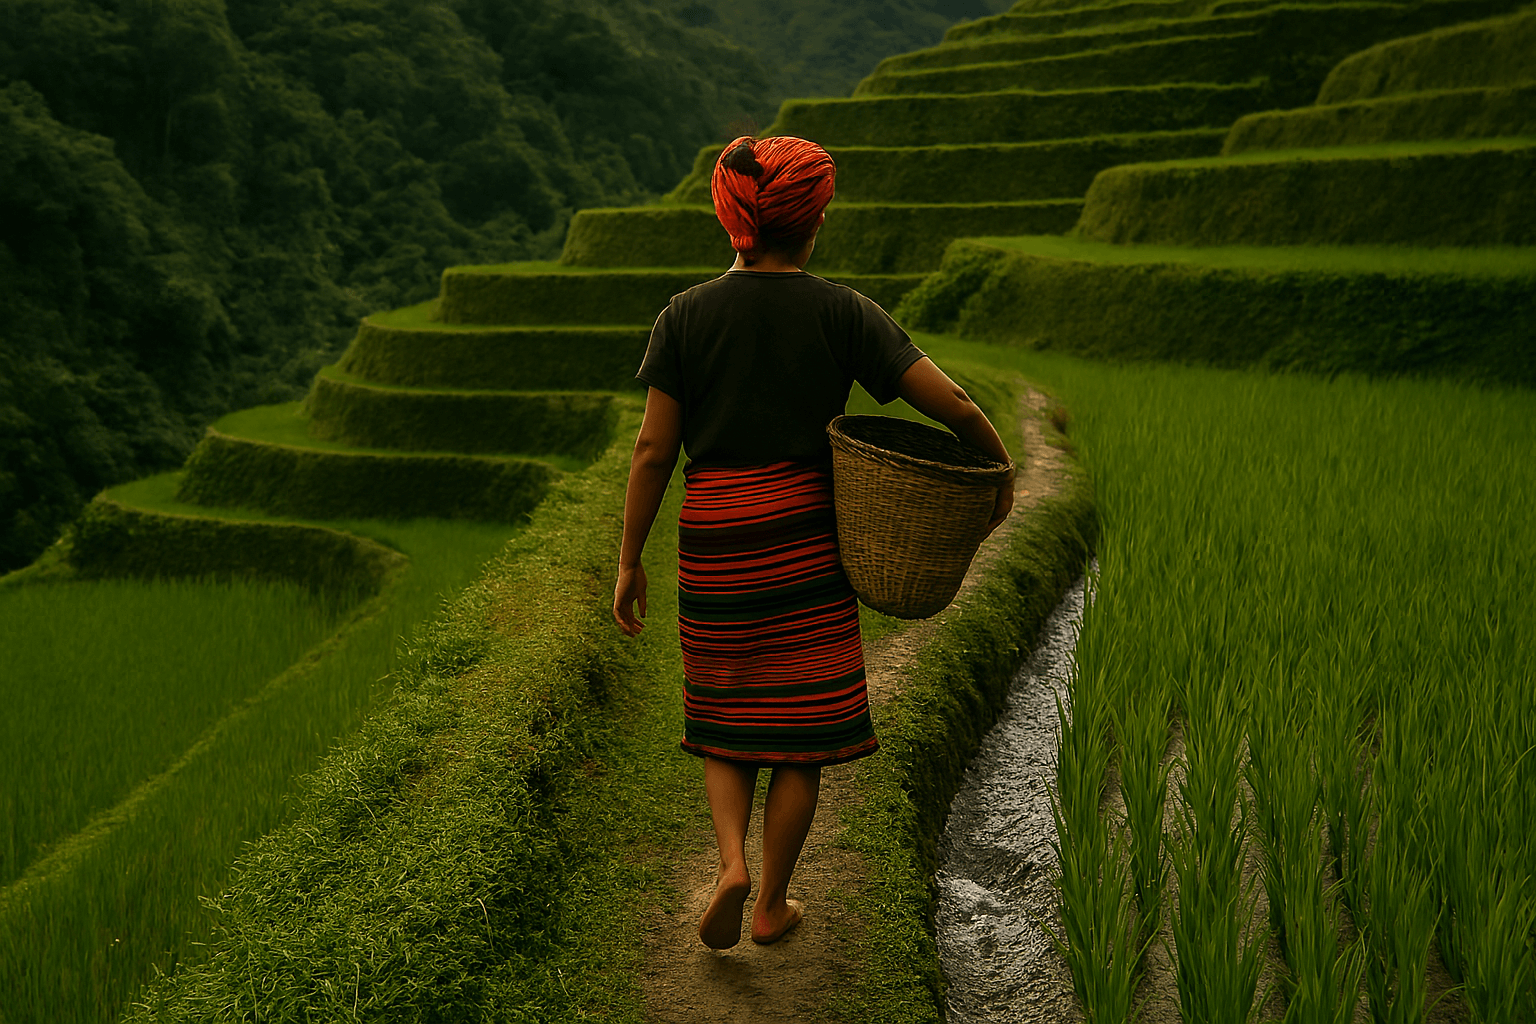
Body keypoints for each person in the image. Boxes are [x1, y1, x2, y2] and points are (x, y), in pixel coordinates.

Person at [612, 135, 1014, 950]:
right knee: (801, 730)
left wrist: (629, 561)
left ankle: (730, 864)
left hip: (715, 533)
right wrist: (998, 468)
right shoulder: (841, 310)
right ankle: (772, 905)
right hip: (805, 530)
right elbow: (955, 402)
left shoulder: (684, 314)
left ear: (730, 220)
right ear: (815, 220)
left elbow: (654, 451)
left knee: (724, 707)